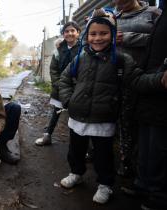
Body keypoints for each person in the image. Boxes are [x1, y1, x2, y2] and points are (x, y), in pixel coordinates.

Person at [58, 8, 136, 204]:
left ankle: (105, 184)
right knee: (76, 150)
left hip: (103, 118)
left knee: (103, 155)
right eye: (93, 34)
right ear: (87, 35)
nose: (98, 38)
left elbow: (138, 81)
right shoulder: (81, 57)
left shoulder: (121, 59)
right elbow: (65, 79)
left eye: (103, 33)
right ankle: (76, 173)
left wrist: (159, 80)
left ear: (112, 35)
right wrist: (68, 100)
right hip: (78, 116)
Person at [124, 0, 167, 209]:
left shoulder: (153, 12)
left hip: (158, 85)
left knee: (158, 145)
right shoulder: (162, 14)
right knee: (144, 141)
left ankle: (157, 196)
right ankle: (142, 185)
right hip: (143, 84)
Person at [113, 0, 161, 177]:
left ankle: (143, 170)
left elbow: (160, 40)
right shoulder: (114, 17)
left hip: (144, 78)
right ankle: (126, 164)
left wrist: (128, 38)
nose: (120, 3)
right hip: (117, 79)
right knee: (123, 123)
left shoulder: (153, 13)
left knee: (141, 125)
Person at [35, 21, 81, 146]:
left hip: (78, 88)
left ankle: (81, 146)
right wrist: (58, 84)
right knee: (56, 111)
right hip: (60, 86)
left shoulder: (84, 48)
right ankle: (47, 136)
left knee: (78, 116)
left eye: (73, 31)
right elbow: (53, 69)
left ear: (78, 33)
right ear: (63, 34)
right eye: (66, 31)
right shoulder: (59, 49)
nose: (70, 33)